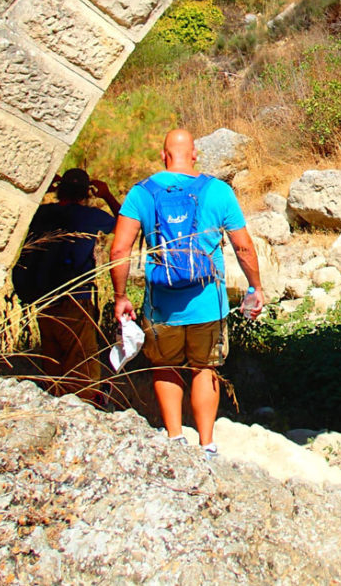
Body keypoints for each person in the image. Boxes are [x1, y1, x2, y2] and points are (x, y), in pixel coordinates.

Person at [110, 128, 264, 456]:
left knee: (165, 366)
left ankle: (175, 438)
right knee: (204, 369)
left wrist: (120, 297)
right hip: (209, 303)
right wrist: (255, 287)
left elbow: (119, 250)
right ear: (195, 154)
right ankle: (207, 443)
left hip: (161, 306)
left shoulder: (141, 193)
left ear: (163, 156)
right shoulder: (218, 191)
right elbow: (243, 247)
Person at [15, 167, 120, 407]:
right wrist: (107, 195)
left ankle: (53, 405)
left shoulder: (41, 213)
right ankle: (84, 410)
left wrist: (46, 187)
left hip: (44, 299)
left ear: (59, 190)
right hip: (76, 299)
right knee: (82, 365)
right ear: (87, 192)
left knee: (53, 361)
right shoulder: (90, 217)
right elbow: (126, 222)